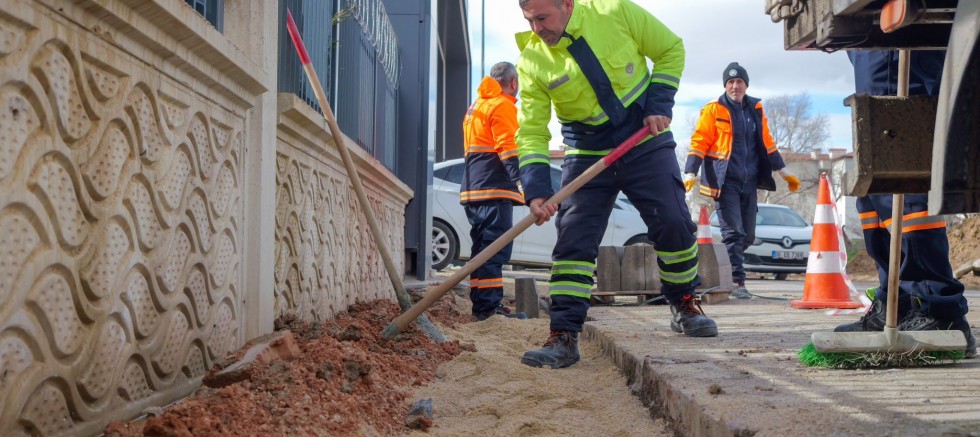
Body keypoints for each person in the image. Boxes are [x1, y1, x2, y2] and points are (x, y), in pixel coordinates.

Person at [515, 0, 717, 370]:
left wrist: (659, 103)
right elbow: (530, 131)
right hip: (587, 151)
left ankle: (684, 303)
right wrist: (537, 190)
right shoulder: (532, 62)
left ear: (567, 4)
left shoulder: (615, 11)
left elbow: (671, 48)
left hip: (644, 138)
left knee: (672, 222)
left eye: (542, 18)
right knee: (573, 239)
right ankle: (563, 335)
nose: (536, 28)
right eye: (529, 20)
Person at [834, 50, 975, 357]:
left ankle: (938, 307)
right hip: (873, 42)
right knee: (874, 188)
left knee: (901, 181)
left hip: (899, 44)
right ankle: (898, 303)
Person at [683, 62, 800, 299]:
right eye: (730, 82)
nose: (735, 86)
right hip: (725, 181)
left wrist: (784, 172)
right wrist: (690, 172)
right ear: (725, 85)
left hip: (751, 181)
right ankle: (737, 281)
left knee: (747, 235)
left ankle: (722, 269)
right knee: (733, 232)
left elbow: (767, 143)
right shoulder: (713, 110)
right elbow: (700, 141)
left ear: (746, 84)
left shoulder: (755, 108)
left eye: (739, 82)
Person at [461, 62, 529, 321]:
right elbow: (508, 147)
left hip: (474, 188)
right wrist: (522, 182)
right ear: (513, 83)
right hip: (493, 188)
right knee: (495, 249)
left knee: (482, 250)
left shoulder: (477, 105)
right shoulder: (501, 105)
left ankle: (481, 306)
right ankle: (490, 309)